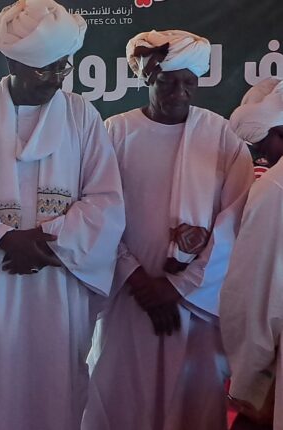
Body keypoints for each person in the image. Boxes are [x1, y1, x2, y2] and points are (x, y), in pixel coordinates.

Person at [0, 1, 126, 428]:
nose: (57, 78)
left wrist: (43, 242)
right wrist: (5, 240)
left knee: (54, 391)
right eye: (46, 69)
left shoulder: (82, 116)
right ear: (13, 62)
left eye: (63, 67)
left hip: (57, 277)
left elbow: (105, 199)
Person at [82, 30, 255, 430]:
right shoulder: (114, 133)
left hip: (194, 305)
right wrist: (136, 277)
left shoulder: (221, 137)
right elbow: (97, 212)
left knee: (192, 404)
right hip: (129, 298)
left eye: (188, 83)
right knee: (122, 395)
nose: (180, 93)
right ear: (148, 78)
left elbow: (235, 222)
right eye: (168, 82)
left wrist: (179, 287)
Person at [221, 78, 283, 430]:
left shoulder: (275, 188)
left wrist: (249, 385)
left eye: (263, 144)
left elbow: (254, 301)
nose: (262, 156)